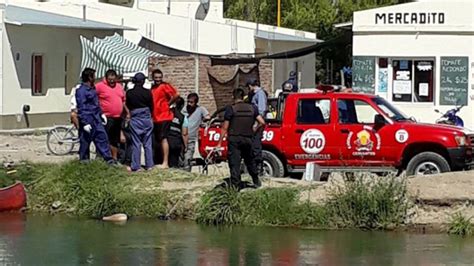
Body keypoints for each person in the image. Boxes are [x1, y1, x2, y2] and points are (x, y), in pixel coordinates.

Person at [217, 88, 265, 189]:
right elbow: (262, 122)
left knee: (235, 162)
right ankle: (256, 180)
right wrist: (254, 129)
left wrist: (219, 143)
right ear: (243, 97)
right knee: (250, 160)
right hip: (247, 138)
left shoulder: (231, 109)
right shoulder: (252, 108)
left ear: (233, 97)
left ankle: (236, 185)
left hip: (234, 139)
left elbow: (224, 127)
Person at [75, 68, 114, 163]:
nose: (95, 78)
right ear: (89, 77)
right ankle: (84, 161)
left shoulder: (93, 89)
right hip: (87, 119)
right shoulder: (81, 91)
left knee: (102, 138)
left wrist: (101, 114)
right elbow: (81, 107)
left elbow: (96, 104)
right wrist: (84, 123)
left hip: (96, 118)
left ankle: (109, 160)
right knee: (85, 142)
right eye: (93, 76)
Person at [95, 69, 128, 160]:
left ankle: (114, 158)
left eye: (113, 80)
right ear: (106, 78)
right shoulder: (99, 86)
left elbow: (123, 100)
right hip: (105, 117)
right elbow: (93, 98)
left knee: (115, 139)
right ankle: (100, 157)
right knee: (103, 137)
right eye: (110, 80)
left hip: (118, 117)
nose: (112, 82)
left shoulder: (119, 86)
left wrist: (127, 112)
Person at [125, 72, 154, 172]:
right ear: (143, 81)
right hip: (146, 116)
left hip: (135, 117)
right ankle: (149, 165)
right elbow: (151, 106)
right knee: (147, 142)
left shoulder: (129, 93)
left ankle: (136, 166)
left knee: (136, 142)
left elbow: (127, 105)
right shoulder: (148, 92)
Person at [151, 69, 180, 169]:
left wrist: (168, 104)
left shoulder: (165, 86)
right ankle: (159, 160)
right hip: (155, 117)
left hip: (164, 116)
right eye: (156, 78)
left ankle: (165, 162)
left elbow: (176, 94)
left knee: (164, 138)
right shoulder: (153, 88)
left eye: (160, 78)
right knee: (158, 139)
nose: (158, 79)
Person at [182, 93, 210, 171]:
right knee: (180, 158)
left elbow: (208, 116)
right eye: (188, 102)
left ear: (196, 102)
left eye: (191, 102)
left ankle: (186, 174)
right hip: (181, 137)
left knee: (188, 158)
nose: (189, 104)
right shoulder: (184, 109)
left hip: (191, 138)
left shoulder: (200, 109)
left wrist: (202, 121)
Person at [248, 78, 267, 176]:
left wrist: (256, 124)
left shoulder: (260, 94)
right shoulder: (253, 95)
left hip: (258, 123)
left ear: (251, 85)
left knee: (256, 145)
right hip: (253, 123)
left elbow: (261, 110)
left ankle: (259, 169)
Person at [168, 97, 189, 168]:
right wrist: (186, 146)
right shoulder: (183, 117)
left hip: (165, 140)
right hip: (176, 141)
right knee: (174, 164)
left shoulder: (167, 113)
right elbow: (184, 133)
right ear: (182, 106)